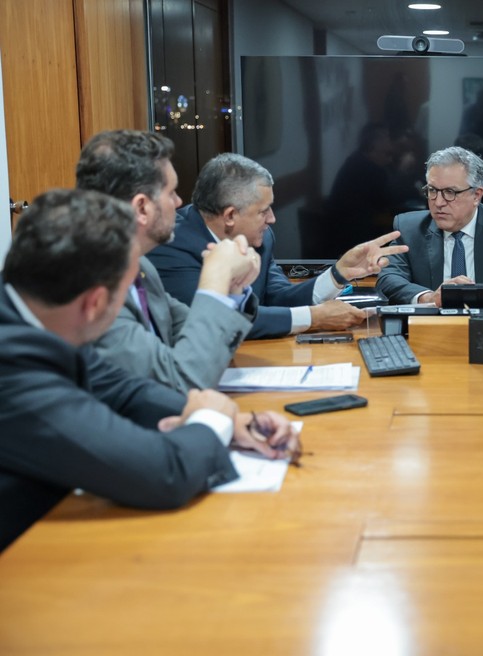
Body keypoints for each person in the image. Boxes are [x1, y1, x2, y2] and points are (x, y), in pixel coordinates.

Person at [0, 189, 300, 550]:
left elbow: (122, 390)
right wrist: (212, 422)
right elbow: (164, 473)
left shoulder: (32, 317)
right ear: (95, 303)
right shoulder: (12, 368)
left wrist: (233, 423)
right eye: (127, 290)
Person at [148, 153, 408, 339]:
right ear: (229, 216)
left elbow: (280, 298)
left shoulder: (261, 238)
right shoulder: (170, 245)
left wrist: (338, 274)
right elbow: (216, 321)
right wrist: (314, 318)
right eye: (263, 211)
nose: (272, 219)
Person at [77, 130, 260, 392]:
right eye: (171, 192)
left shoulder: (141, 268)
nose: (179, 202)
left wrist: (232, 286)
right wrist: (215, 277)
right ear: (142, 208)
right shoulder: (91, 287)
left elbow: (203, 346)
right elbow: (183, 382)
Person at [375, 146, 483, 307]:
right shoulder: (409, 228)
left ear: (477, 195)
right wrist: (429, 298)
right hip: (429, 329)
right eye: (432, 190)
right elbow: (388, 279)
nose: (438, 202)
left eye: (450, 192)